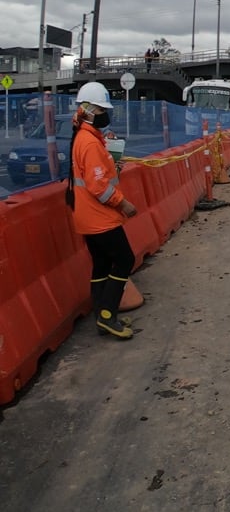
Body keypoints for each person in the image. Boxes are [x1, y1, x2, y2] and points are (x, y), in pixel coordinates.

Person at [69, 81, 141, 340]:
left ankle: (102, 313)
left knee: (101, 264)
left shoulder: (85, 138)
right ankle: (108, 315)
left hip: (87, 217)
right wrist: (124, 203)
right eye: (101, 111)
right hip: (100, 218)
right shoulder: (88, 142)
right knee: (124, 260)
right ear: (88, 110)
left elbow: (96, 175)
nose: (105, 115)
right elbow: (99, 187)